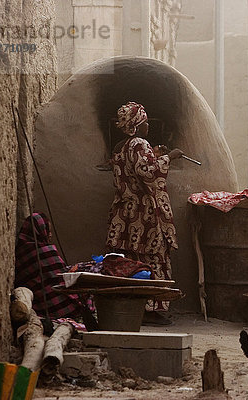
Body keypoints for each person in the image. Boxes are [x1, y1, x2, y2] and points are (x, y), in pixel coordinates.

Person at [106, 101, 184, 325]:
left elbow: (133, 167)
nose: (148, 126)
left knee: (130, 259)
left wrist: (155, 154)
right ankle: (150, 309)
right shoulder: (140, 144)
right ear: (137, 124)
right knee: (153, 258)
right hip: (145, 214)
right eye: (145, 122)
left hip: (125, 213)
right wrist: (171, 157)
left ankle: (130, 307)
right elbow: (147, 173)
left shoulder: (121, 146)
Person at [15, 213, 83, 319]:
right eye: (48, 230)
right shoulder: (46, 251)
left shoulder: (20, 253)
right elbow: (61, 281)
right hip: (56, 307)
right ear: (40, 231)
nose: (50, 234)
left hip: (38, 306)